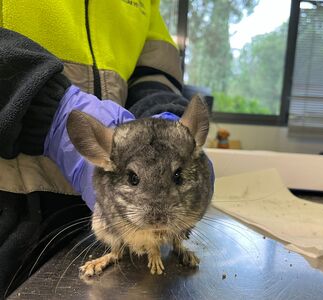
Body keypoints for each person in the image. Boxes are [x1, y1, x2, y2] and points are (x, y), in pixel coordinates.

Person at [0, 1, 211, 296]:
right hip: (11, 208)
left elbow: (152, 70)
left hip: (100, 215)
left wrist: (164, 116)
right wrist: (42, 107)